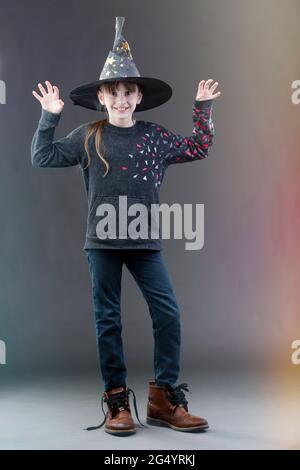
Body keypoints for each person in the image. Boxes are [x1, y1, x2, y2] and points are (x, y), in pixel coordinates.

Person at [31, 17, 221, 437]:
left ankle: (164, 398)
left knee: (167, 313)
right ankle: (117, 400)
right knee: (108, 320)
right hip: (101, 243)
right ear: (102, 97)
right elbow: (42, 157)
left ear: (139, 96)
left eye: (128, 92)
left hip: (144, 242)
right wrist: (50, 117)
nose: (121, 99)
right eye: (113, 93)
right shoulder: (88, 135)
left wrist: (202, 108)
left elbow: (199, 146)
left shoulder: (153, 136)